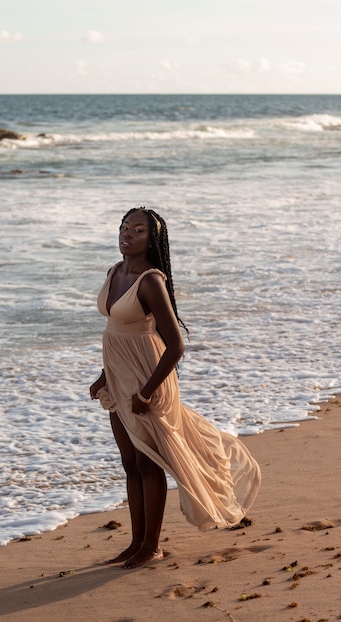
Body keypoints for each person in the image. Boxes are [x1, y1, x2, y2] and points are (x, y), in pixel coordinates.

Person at [90, 207, 261, 569]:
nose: (127, 234)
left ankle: (151, 546)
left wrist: (147, 392)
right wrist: (104, 376)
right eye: (124, 227)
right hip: (119, 377)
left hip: (148, 380)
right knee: (129, 463)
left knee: (148, 462)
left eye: (138, 230)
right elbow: (116, 335)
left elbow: (176, 345)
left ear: (152, 239)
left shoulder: (151, 281)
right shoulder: (115, 272)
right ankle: (135, 543)